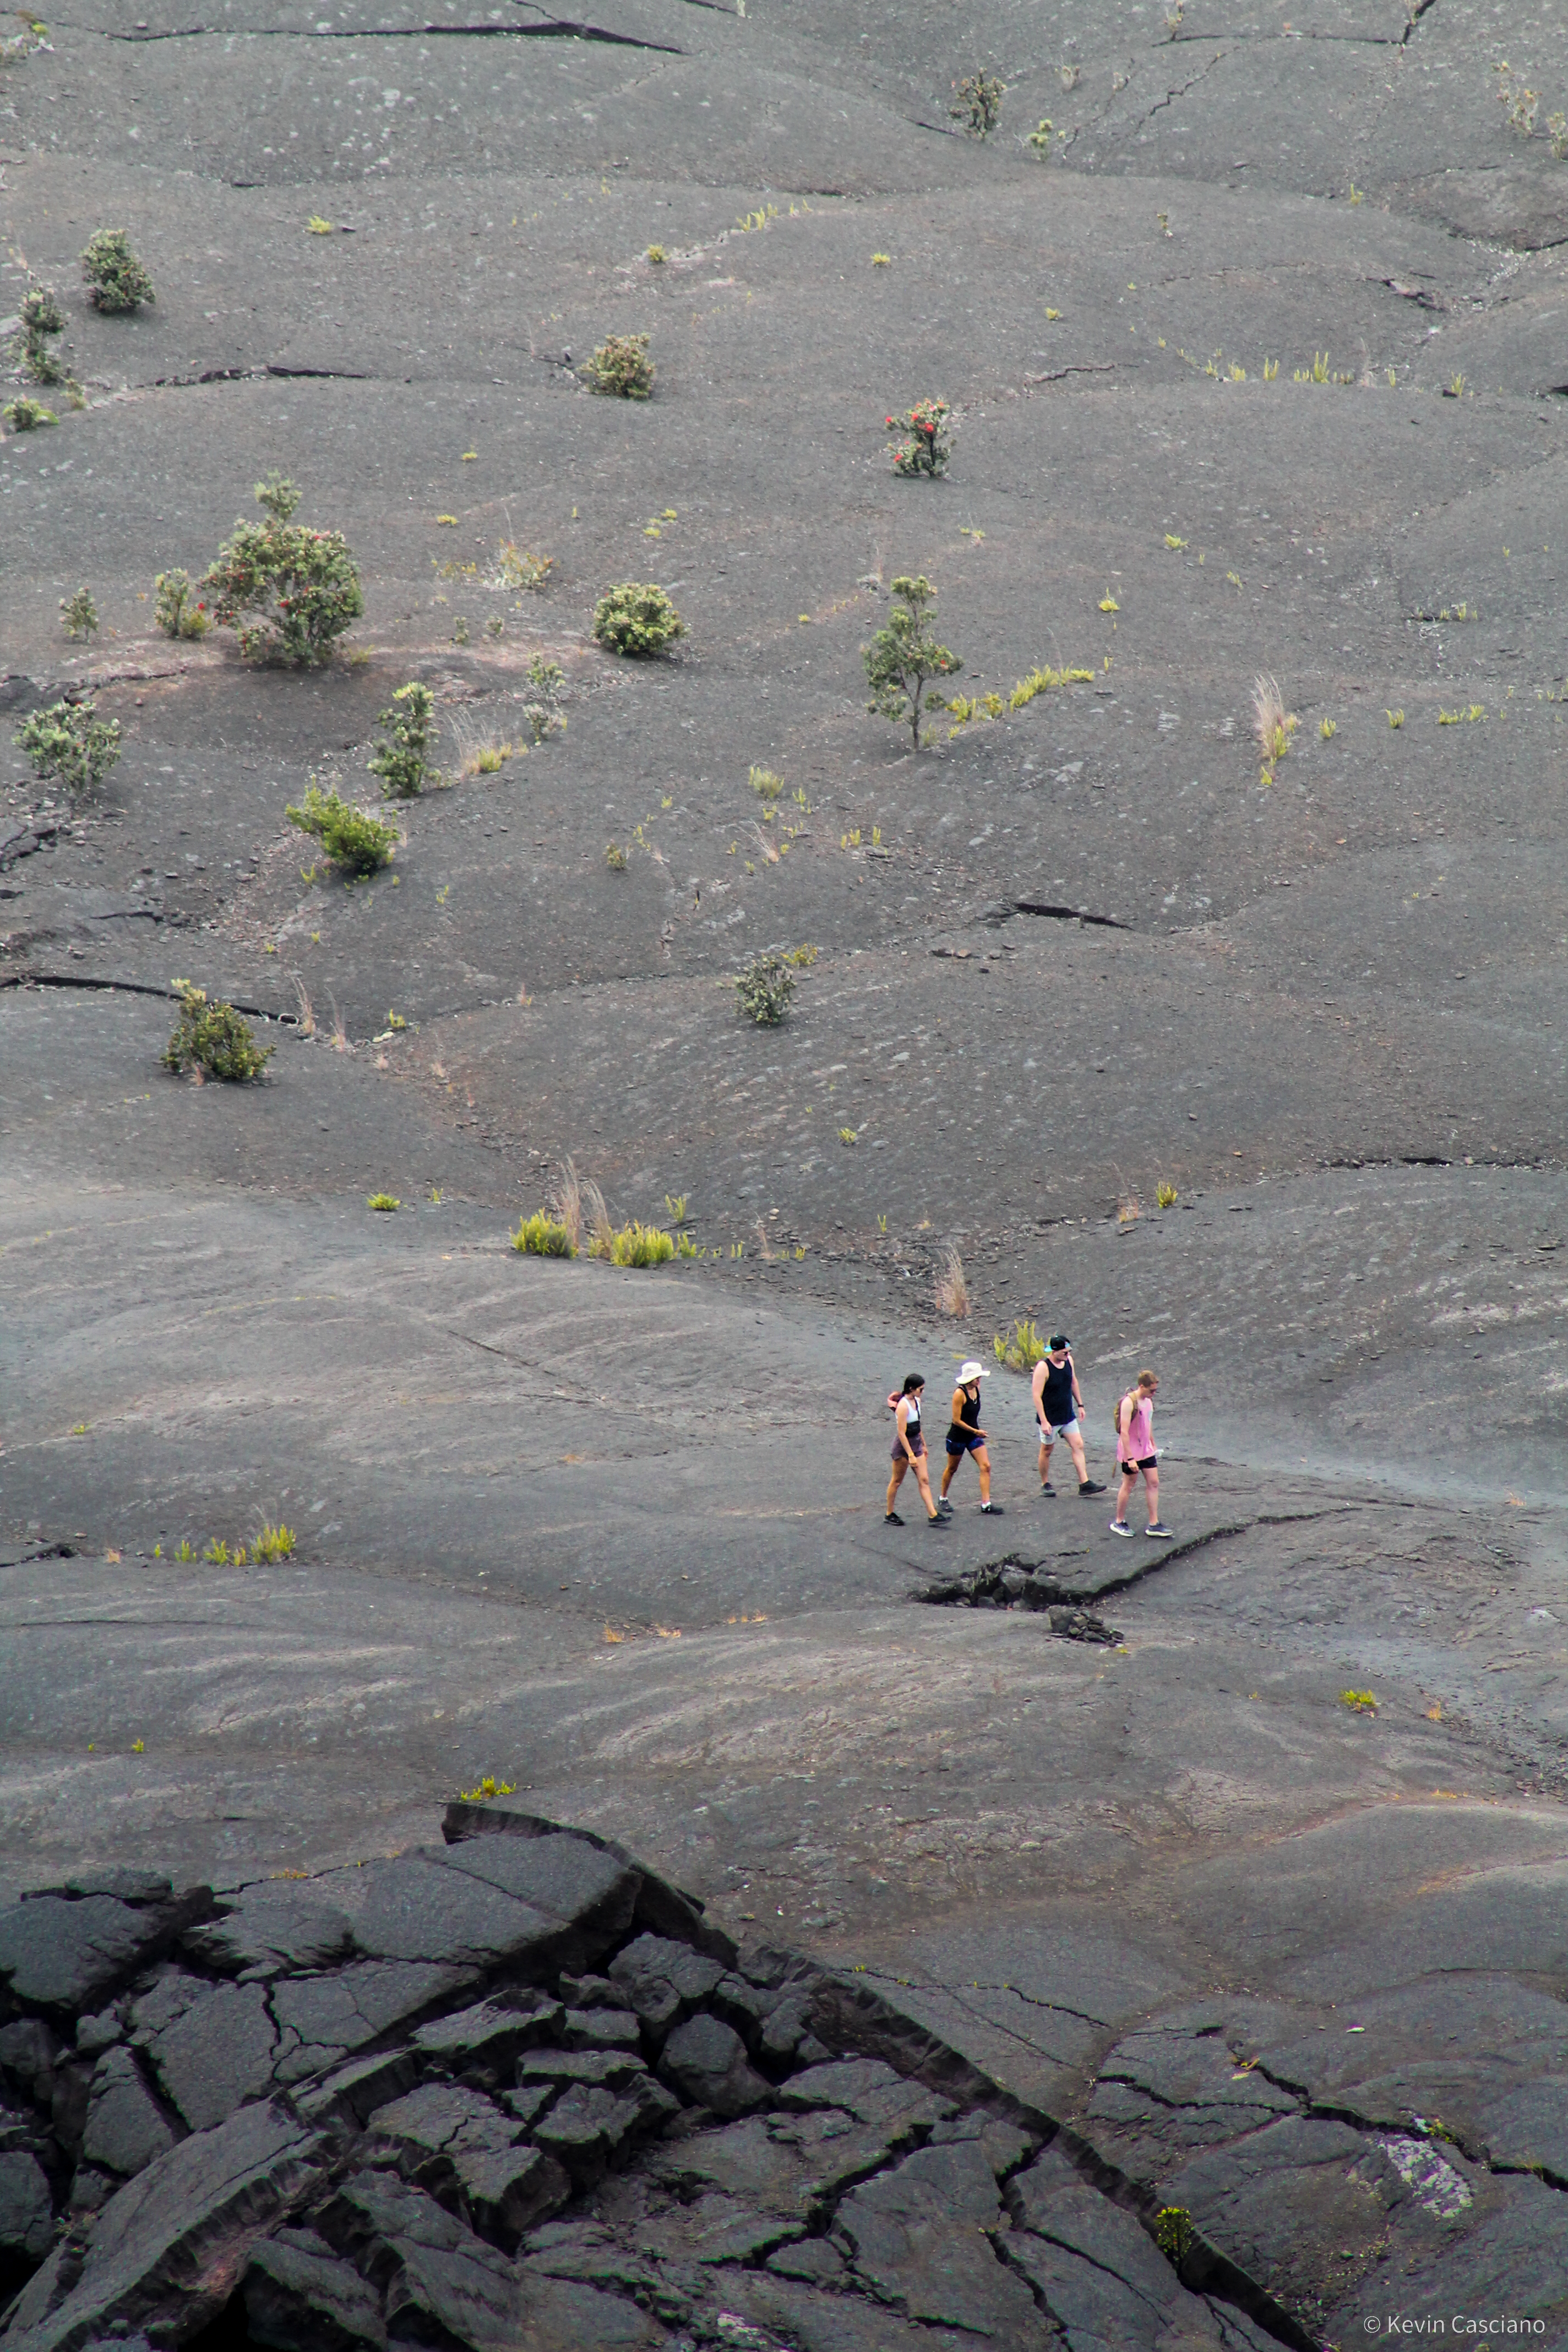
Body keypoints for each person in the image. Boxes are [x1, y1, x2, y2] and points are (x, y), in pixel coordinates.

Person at [1031, 1335, 1106, 1499]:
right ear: (1055, 1351)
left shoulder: (1068, 1361)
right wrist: (1044, 1421)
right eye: (1065, 1352)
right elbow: (1037, 1395)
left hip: (1067, 1415)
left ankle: (1085, 1483)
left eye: (1069, 1351)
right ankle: (1045, 1483)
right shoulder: (1043, 1368)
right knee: (1047, 1450)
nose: (1068, 1355)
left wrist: (1080, 1404)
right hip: (1050, 1418)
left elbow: (1073, 1382)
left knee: (1078, 1445)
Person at [1109, 1369, 1170, 1537]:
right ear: (1142, 1386)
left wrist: (1153, 1445)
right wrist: (1130, 1458)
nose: (1154, 1393)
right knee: (1129, 1484)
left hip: (1146, 1451)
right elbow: (1124, 1432)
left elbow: (1147, 1424)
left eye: (1155, 1390)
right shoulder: (1129, 1403)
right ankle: (1119, 1521)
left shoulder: (1149, 1402)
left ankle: (1154, 1524)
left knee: (1154, 1483)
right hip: (1131, 1452)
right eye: (1151, 1390)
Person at [941, 1360, 1003, 1514]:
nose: (979, 1380)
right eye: (977, 1377)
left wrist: (975, 1432)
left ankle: (986, 1504)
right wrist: (976, 1431)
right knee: (952, 1468)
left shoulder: (976, 1389)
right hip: (958, 1437)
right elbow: (956, 1420)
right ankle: (943, 1497)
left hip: (973, 1436)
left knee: (986, 1466)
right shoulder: (959, 1394)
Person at [885, 1374, 945, 1527]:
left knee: (924, 1480)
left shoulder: (917, 1402)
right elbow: (901, 1433)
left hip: (916, 1443)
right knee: (897, 1481)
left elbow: (918, 1426)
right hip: (903, 1447)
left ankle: (933, 1514)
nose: (922, 1392)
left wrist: (923, 1445)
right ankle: (889, 1513)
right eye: (921, 1389)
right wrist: (910, 1455)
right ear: (912, 1389)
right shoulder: (903, 1406)